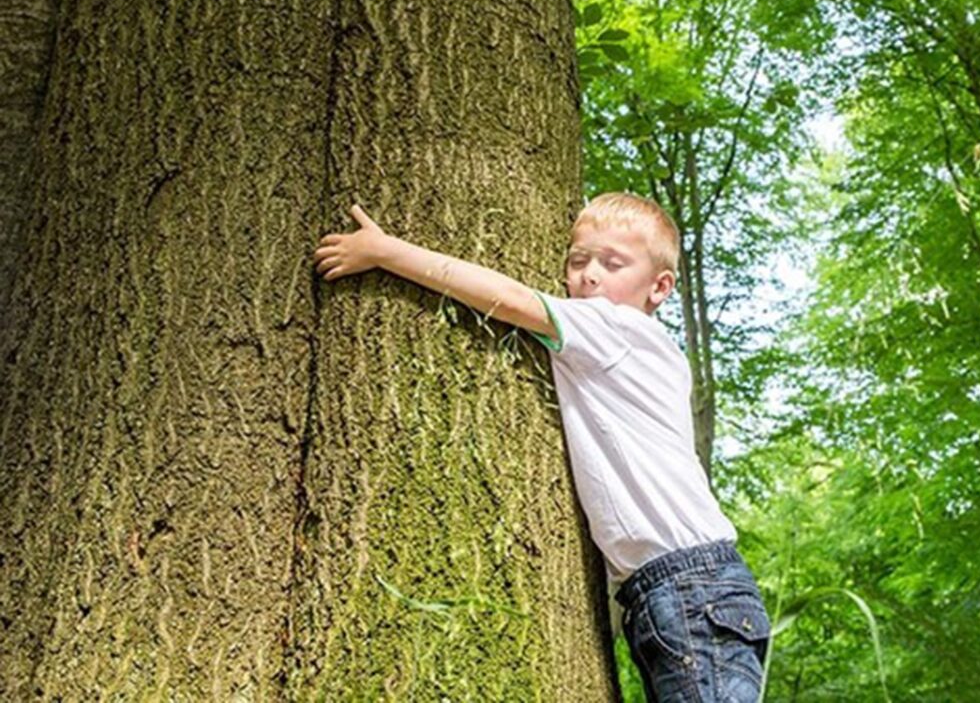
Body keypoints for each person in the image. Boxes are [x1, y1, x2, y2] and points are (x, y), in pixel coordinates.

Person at [313, 192, 771, 701]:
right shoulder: (636, 349)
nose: (590, 275)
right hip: (684, 589)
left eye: (613, 263)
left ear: (659, 287)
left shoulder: (615, 328)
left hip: (689, 589)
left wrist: (386, 252)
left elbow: (508, 300)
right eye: (578, 261)